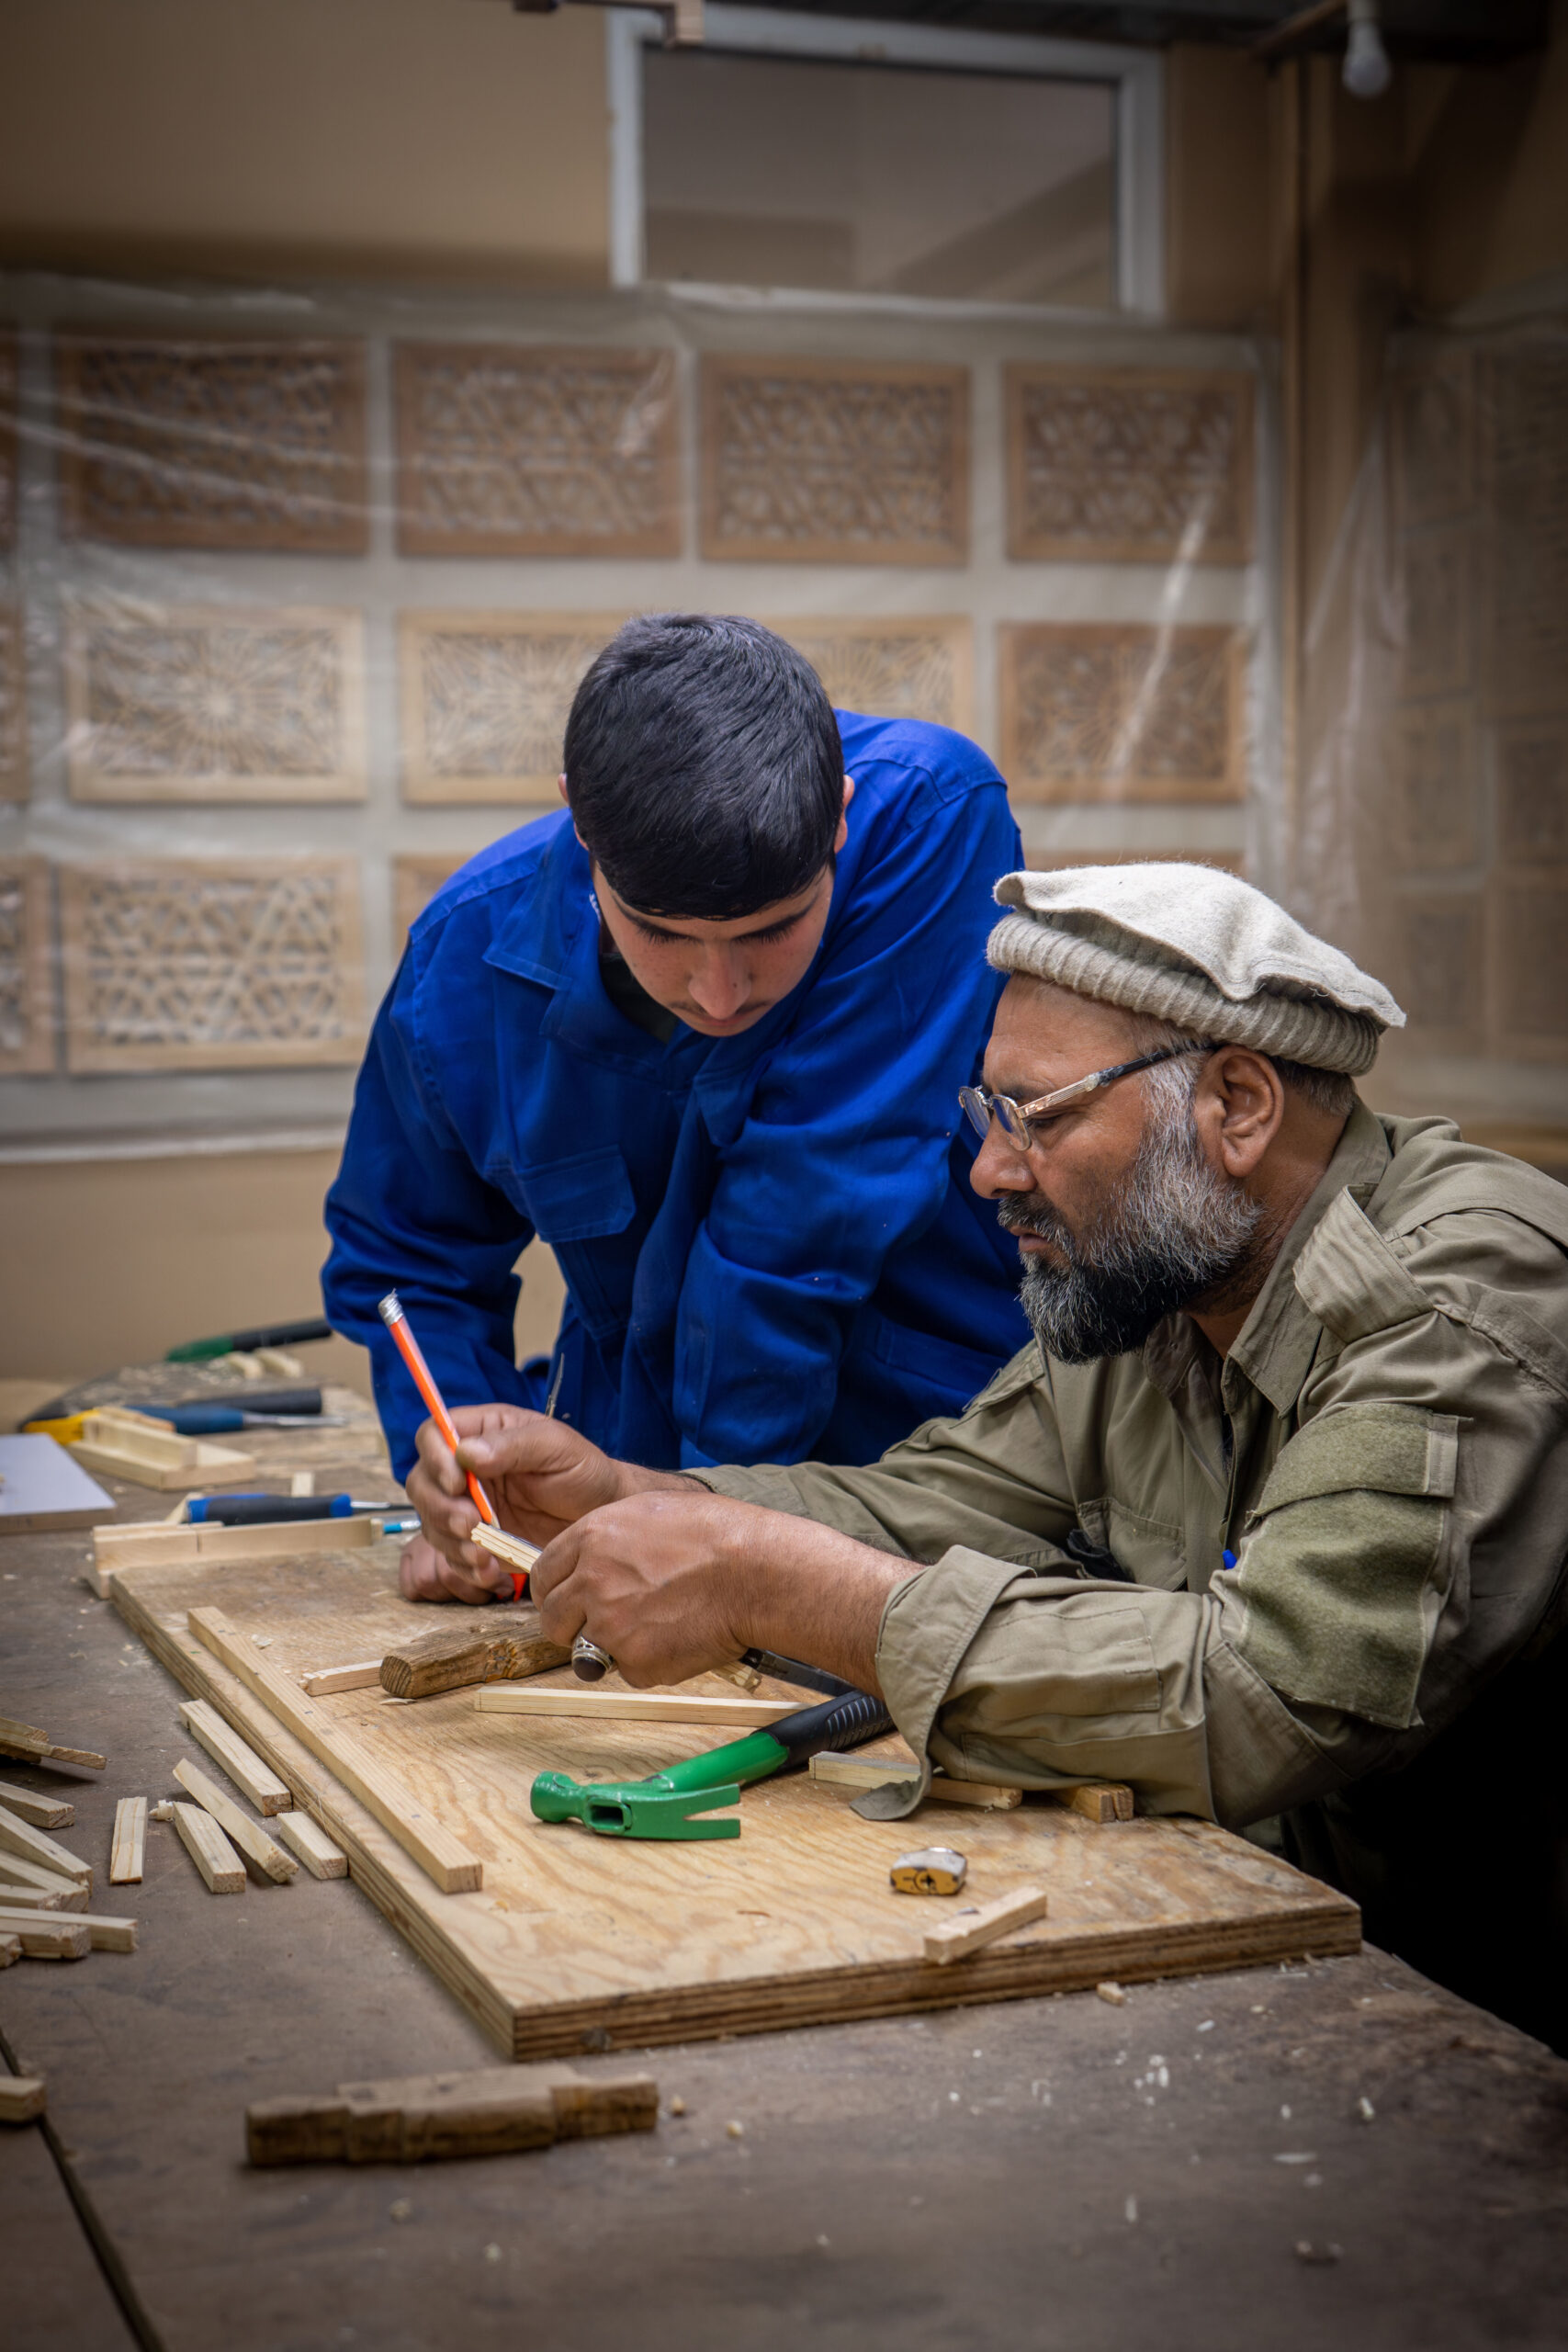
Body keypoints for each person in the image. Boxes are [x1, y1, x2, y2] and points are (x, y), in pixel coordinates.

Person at [405, 863, 1568, 2051]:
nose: (990, 1171)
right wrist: (627, 1501)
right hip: (1275, 1939)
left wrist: (771, 1583)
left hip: (1468, 2024)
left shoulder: (1455, 1302)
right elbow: (938, 1501)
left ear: (1234, 1106)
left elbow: (1266, 1690)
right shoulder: (1163, 1278)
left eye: (1039, 1117)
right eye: (986, 1115)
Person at [322, 614, 1028, 1600]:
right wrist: (473, 1476)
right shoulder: (461, 965)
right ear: (581, 823)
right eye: (662, 934)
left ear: (840, 822)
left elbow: (803, 1212)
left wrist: (697, 1535)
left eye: (775, 929)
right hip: (635, 1469)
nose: (722, 993)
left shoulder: (927, 816)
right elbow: (407, 1261)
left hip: (941, 1457)